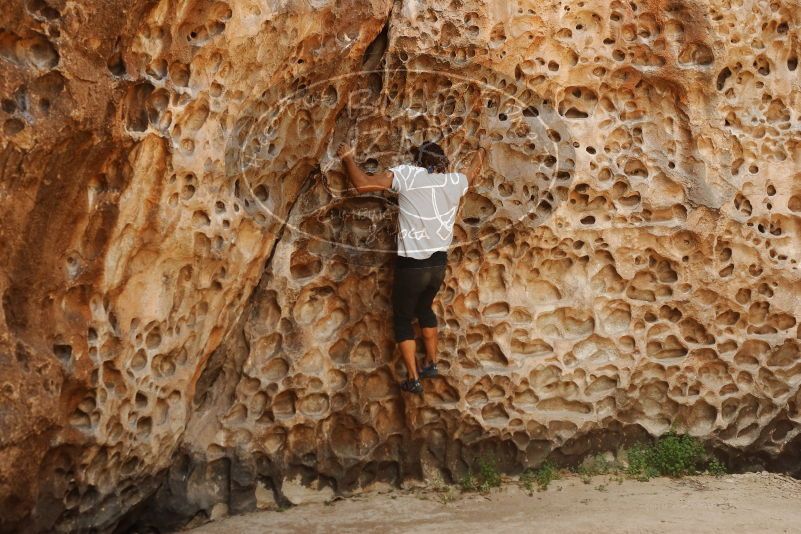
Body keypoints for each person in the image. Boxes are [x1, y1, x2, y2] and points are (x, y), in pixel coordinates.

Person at [337, 140, 486, 394]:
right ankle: (432, 362)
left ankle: (414, 378)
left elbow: (362, 184)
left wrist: (348, 158)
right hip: (438, 264)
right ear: (443, 162)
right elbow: (472, 171)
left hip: (411, 266)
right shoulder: (454, 181)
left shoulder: (408, 174)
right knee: (425, 309)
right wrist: (482, 149)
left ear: (419, 161)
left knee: (403, 319)